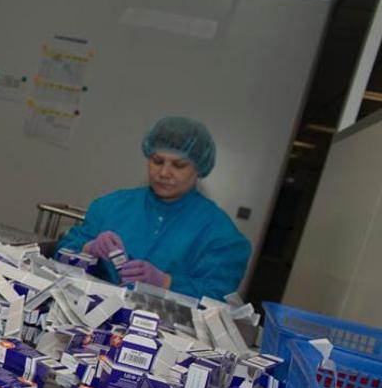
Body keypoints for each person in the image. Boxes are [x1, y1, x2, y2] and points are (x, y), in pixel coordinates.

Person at [57, 116, 251, 300]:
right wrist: (88, 248)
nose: (164, 173)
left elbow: (219, 297)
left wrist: (166, 282)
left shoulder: (220, 235)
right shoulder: (110, 206)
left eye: (179, 165)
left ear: (199, 168)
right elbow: (60, 252)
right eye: (157, 161)